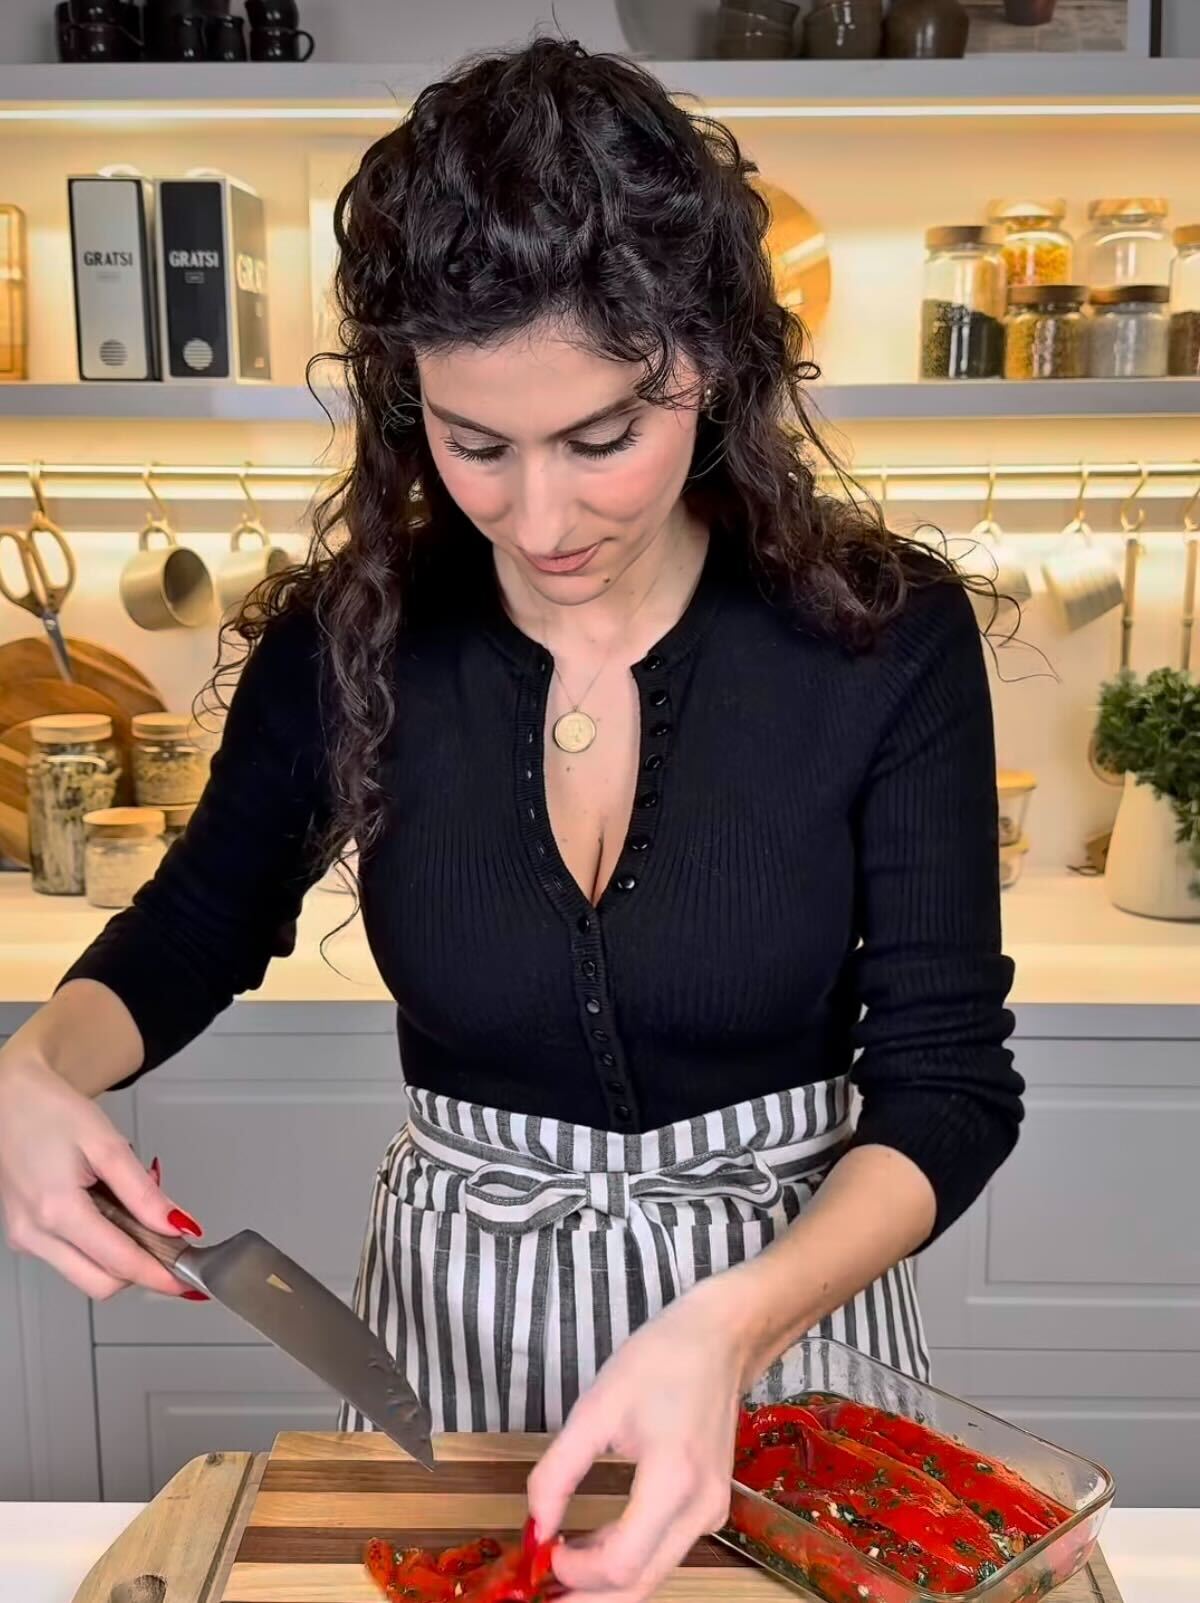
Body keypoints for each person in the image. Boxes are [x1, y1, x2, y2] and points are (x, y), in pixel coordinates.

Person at [0, 37, 1022, 1603]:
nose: (540, 524)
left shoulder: (883, 640)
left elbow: (948, 1084)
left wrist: (732, 1323)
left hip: (789, 1328)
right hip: (456, 1338)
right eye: (475, 445)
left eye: (604, 437)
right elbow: (200, 921)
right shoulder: (356, 636)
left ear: (713, 365)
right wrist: (30, 1071)